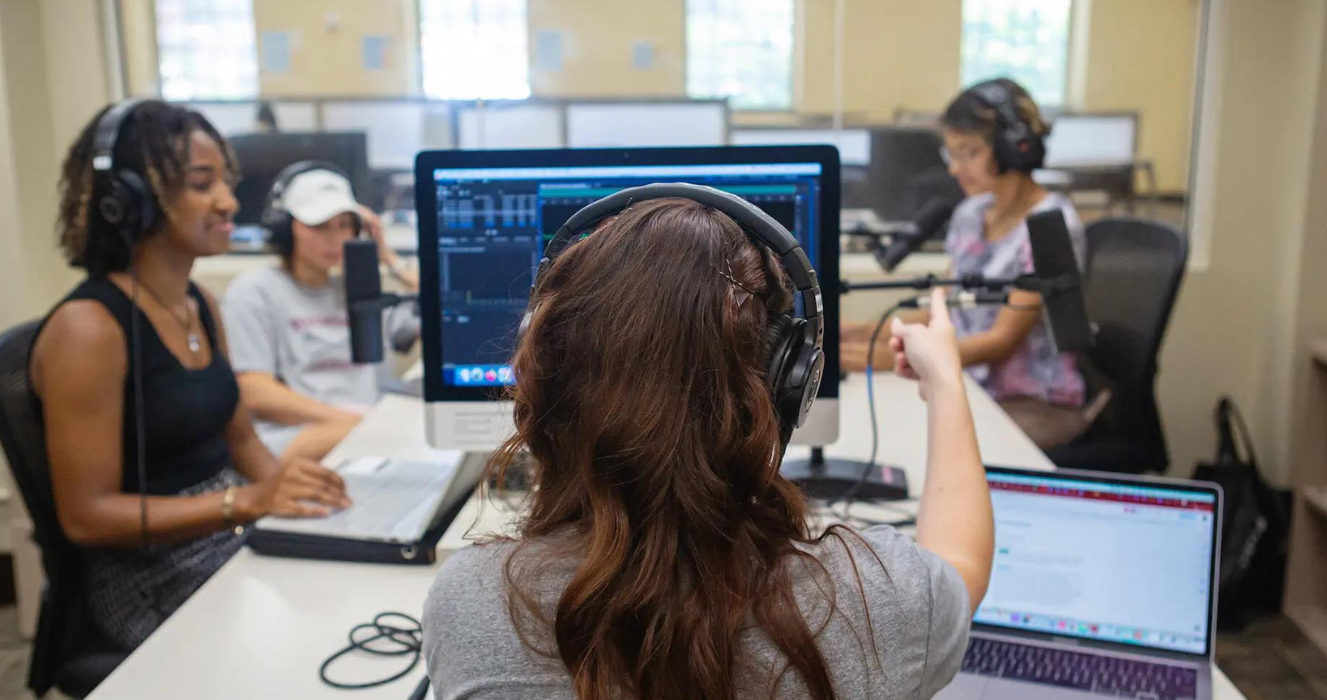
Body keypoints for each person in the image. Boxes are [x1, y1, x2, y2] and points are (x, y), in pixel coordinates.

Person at [422, 196, 994, 699]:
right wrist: (945, 379)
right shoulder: (884, 602)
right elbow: (963, 564)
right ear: (785, 384)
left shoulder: (474, 603)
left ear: (543, 381)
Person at [30, 100, 350, 651]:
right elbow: (86, 516)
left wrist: (297, 497)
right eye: (203, 184)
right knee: (314, 641)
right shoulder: (88, 330)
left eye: (225, 181)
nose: (228, 200)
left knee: (356, 596)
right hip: (147, 575)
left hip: (225, 533)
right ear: (126, 199)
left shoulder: (198, 302)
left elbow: (244, 441)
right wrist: (246, 503)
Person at [842, 78, 1089, 449]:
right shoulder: (971, 214)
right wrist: (863, 331)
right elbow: (944, 313)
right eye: (950, 154)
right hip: (974, 386)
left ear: (1013, 149)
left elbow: (1000, 341)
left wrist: (883, 357)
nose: (956, 168)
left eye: (969, 152)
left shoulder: (1052, 225)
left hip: (1032, 403)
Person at [221, 164, 418, 462]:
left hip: (365, 433)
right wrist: (349, 421)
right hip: (295, 436)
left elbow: (447, 311)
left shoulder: (357, 289)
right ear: (286, 228)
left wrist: (388, 257)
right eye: (320, 226)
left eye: (345, 225)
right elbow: (253, 391)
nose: (335, 238)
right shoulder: (254, 292)